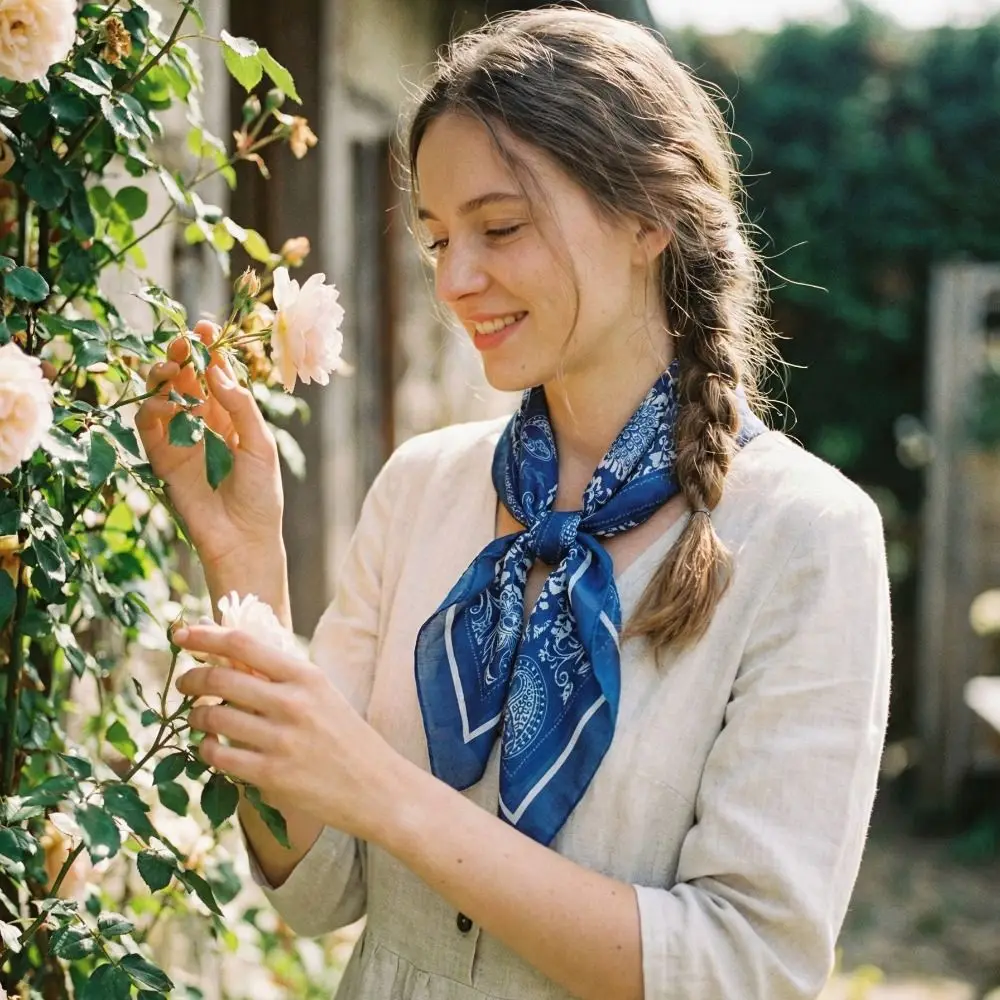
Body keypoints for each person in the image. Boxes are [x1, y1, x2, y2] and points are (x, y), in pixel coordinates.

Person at [136, 9, 892, 1000]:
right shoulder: (421, 488)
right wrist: (245, 561)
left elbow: (742, 968)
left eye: (499, 228)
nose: (455, 281)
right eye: (437, 237)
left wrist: (389, 796)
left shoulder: (806, 536)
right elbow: (317, 890)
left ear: (647, 218)